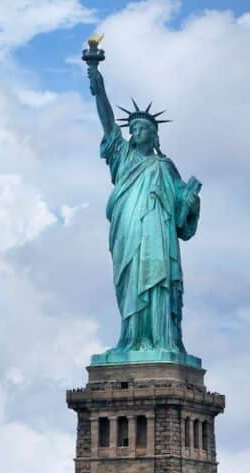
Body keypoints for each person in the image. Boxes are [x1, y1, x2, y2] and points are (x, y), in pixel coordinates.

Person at [86, 58, 201, 356]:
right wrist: (97, 82)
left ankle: (162, 341)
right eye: (133, 128)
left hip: (158, 235)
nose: (136, 132)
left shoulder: (165, 166)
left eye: (143, 128)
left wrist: (190, 200)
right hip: (128, 228)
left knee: (158, 281)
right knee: (131, 281)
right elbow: (108, 121)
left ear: (154, 134)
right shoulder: (122, 157)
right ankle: (131, 339)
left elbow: (180, 219)